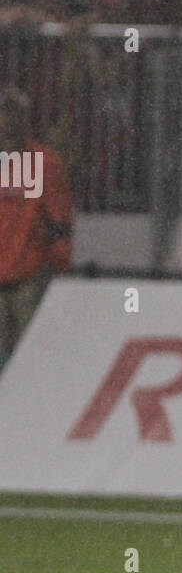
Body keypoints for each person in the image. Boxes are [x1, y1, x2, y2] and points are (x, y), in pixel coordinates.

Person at [0, 87, 73, 367]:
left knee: (29, 353)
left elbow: (59, 218)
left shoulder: (44, 163)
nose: (9, 122)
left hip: (28, 276)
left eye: (14, 114)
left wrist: (59, 262)